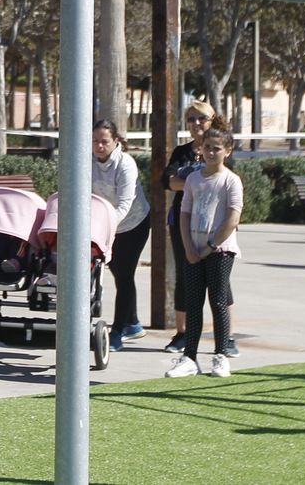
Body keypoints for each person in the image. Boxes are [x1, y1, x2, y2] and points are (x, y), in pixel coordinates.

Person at [164, 122, 243, 380]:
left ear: (227, 151)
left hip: (220, 251)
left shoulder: (231, 181)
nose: (210, 152)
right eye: (207, 147)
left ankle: (220, 355)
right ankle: (189, 357)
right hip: (193, 250)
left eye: (216, 148)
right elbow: (184, 213)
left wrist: (210, 246)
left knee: (218, 301)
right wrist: (189, 247)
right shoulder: (193, 179)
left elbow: (232, 218)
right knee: (193, 302)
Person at [92, 118, 149, 351]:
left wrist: (104, 227)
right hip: (104, 226)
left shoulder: (126, 164)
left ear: (116, 141)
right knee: (117, 272)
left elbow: (125, 205)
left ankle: (117, 332)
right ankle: (133, 323)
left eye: (104, 141)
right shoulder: (87, 161)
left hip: (133, 224)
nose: (99, 146)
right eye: (95, 141)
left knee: (124, 275)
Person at [164, 100, 212, 352]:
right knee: (184, 275)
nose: (196, 123)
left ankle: (226, 337)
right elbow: (168, 181)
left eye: (201, 118)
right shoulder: (181, 152)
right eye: (191, 119)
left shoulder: (219, 147)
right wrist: (198, 182)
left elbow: (224, 179)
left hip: (213, 222)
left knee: (218, 279)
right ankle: (182, 333)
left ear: (211, 120)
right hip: (183, 220)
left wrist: (188, 181)